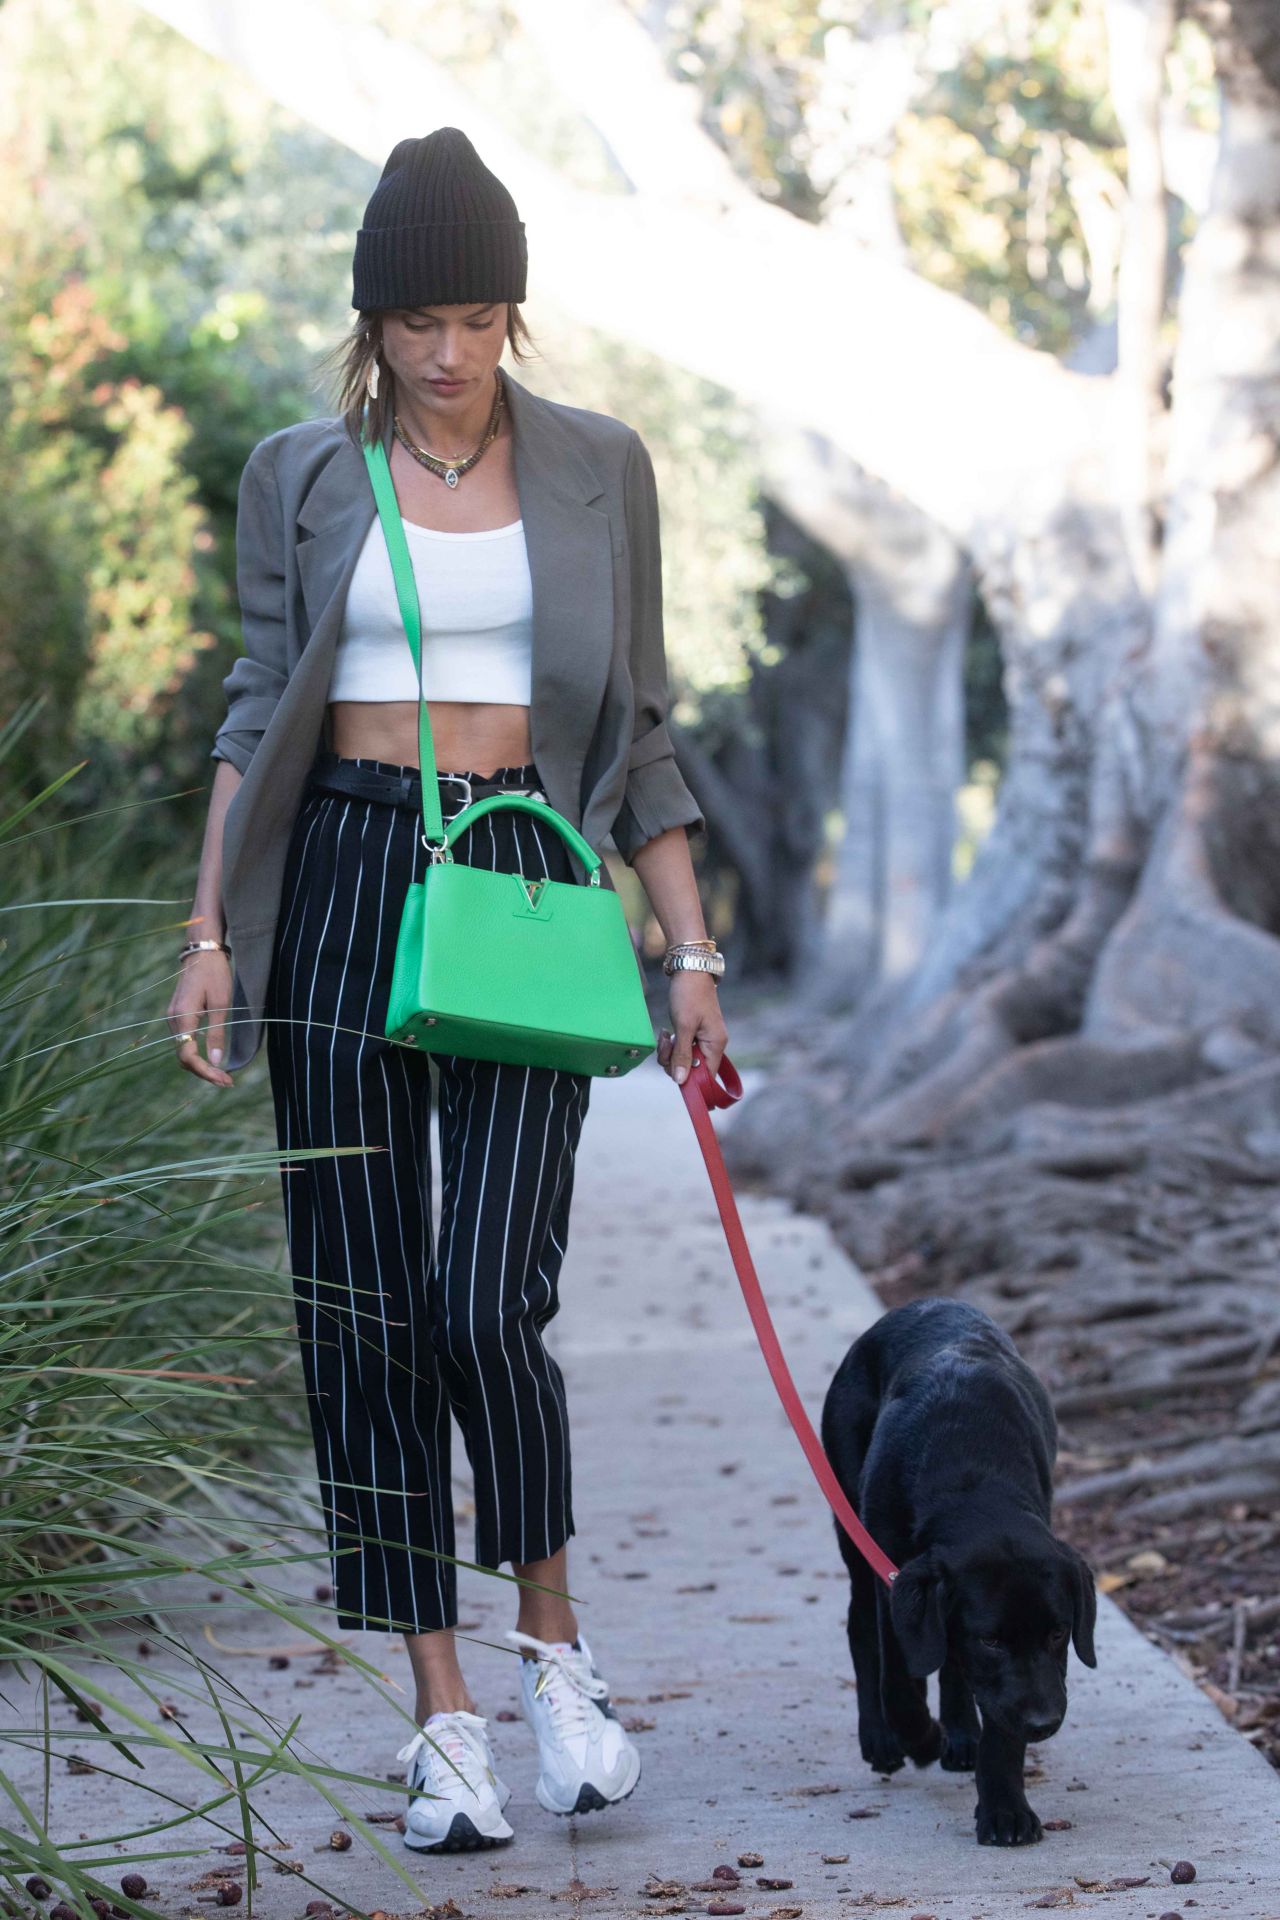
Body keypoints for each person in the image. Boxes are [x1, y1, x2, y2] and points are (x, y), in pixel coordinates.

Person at [167, 128, 728, 1853]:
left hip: (523, 890)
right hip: (337, 877)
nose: (447, 353)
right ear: (373, 318)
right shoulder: (301, 475)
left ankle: (555, 1651)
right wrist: (210, 932)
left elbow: (635, 725)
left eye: (477, 316)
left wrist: (689, 952)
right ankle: (444, 1715)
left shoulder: (598, 468)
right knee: (360, 1302)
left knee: (489, 1295)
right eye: (416, 319)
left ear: (514, 314)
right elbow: (261, 705)